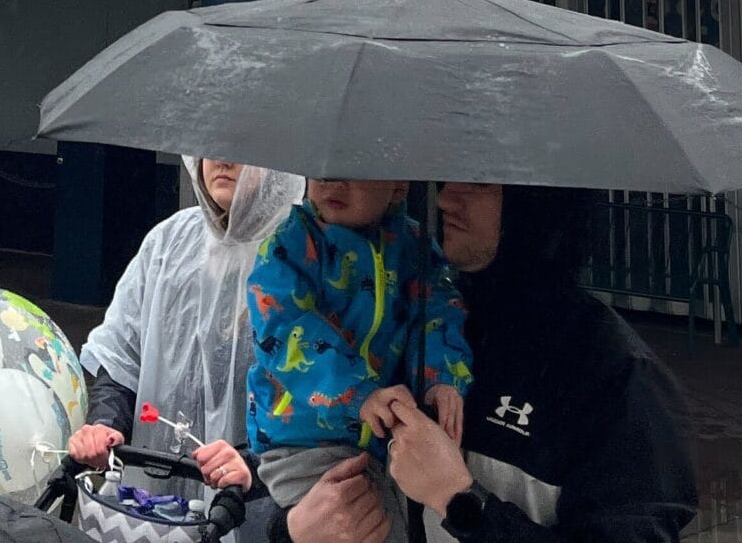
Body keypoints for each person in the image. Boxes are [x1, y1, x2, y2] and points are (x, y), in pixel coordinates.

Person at [295, 183, 695, 543]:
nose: (445, 199)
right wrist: (294, 529)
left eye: (478, 184)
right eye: (449, 179)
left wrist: (461, 503)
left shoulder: (615, 375)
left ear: (537, 202)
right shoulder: (412, 328)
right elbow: (302, 440)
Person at [72, 158, 305, 527]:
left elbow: (317, 403)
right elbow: (122, 359)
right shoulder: (168, 244)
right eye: (210, 144)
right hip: (151, 509)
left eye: (241, 144)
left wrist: (254, 465)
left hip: (260, 513)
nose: (222, 158)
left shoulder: (304, 259)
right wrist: (105, 424)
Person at [248, 179, 470, 543]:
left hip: (383, 440)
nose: (333, 181)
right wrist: (358, 393)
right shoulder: (290, 244)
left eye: (354, 169)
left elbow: (437, 314)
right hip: (302, 440)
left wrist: (442, 378)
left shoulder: (413, 247)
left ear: (399, 187)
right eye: (321, 169)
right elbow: (284, 330)